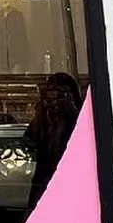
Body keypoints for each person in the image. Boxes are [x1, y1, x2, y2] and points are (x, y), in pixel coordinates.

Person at [24, 72, 81, 211]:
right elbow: (29, 139)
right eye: (49, 93)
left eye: (59, 94)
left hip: (70, 177)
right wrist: (41, 114)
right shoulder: (44, 115)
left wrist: (70, 109)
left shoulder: (76, 117)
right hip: (45, 177)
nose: (54, 100)